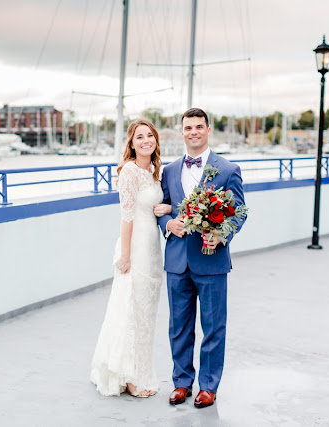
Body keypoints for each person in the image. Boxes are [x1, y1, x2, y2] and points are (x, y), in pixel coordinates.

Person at [155, 108, 246, 408]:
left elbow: (239, 213)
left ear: (208, 130)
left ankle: (208, 386)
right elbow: (163, 208)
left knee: (213, 327)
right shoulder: (168, 171)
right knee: (178, 326)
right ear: (181, 132)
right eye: (188, 127)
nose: (193, 132)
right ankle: (181, 383)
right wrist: (167, 224)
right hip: (177, 260)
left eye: (198, 127)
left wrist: (223, 235)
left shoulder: (228, 169)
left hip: (212, 259)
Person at [90, 119, 172, 398]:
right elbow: (126, 217)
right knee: (131, 310)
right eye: (140, 137)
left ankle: (140, 369)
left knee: (146, 313)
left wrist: (168, 207)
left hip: (152, 248)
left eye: (150, 135)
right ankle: (130, 377)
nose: (146, 140)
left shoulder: (153, 171)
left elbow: (155, 207)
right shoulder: (128, 172)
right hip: (135, 247)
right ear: (132, 143)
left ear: (156, 141)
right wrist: (124, 255)